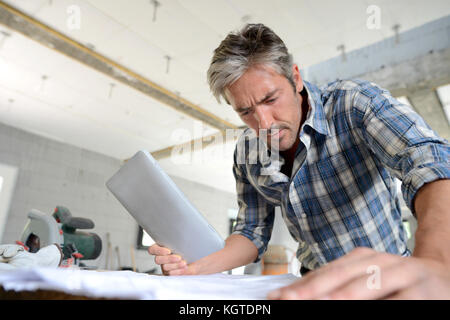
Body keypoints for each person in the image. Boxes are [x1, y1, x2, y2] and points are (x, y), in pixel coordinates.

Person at [149, 24, 450, 299]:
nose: (264, 123)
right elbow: (251, 233)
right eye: (245, 111)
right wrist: (194, 269)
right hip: (313, 285)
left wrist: (435, 262)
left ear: (295, 77)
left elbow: (429, 161)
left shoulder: (354, 104)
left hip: (386, 281)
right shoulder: (246, 152)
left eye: (270, 99)